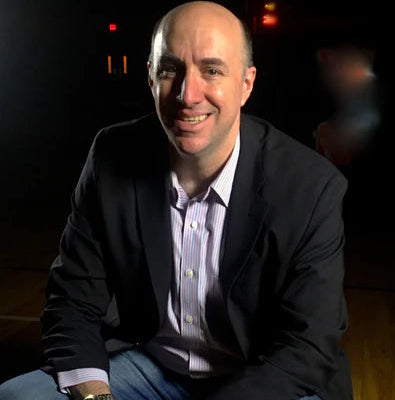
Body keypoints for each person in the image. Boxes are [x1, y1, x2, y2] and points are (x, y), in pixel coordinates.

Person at [0, 1, 353, 399]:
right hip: (152, 367)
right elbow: (72, 300)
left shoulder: (310, 185)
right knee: (17, 395)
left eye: (212, 70)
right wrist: (97, 396)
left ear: (246, 84)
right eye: (171, 69)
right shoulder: (112, 155)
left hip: (263, 380)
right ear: (151, 77)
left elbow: (307, 345)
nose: (188, 94)